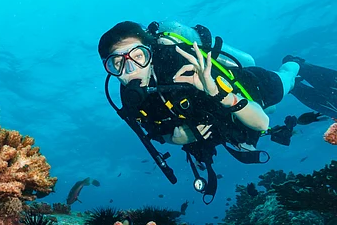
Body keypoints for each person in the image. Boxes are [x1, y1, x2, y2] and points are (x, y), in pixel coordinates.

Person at [98, 21, 337, 203]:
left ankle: (295, 64)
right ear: (110, 69)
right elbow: (156, 132)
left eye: (138, 56)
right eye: (117, 63)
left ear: (150, 52)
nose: (130, 69)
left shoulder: (186, 62)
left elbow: (262, 123)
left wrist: (216, 92)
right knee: (272, 106)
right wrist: (176, 138)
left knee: (282, 87)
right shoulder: (129, 99)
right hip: (225, 125)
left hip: (250, 89)